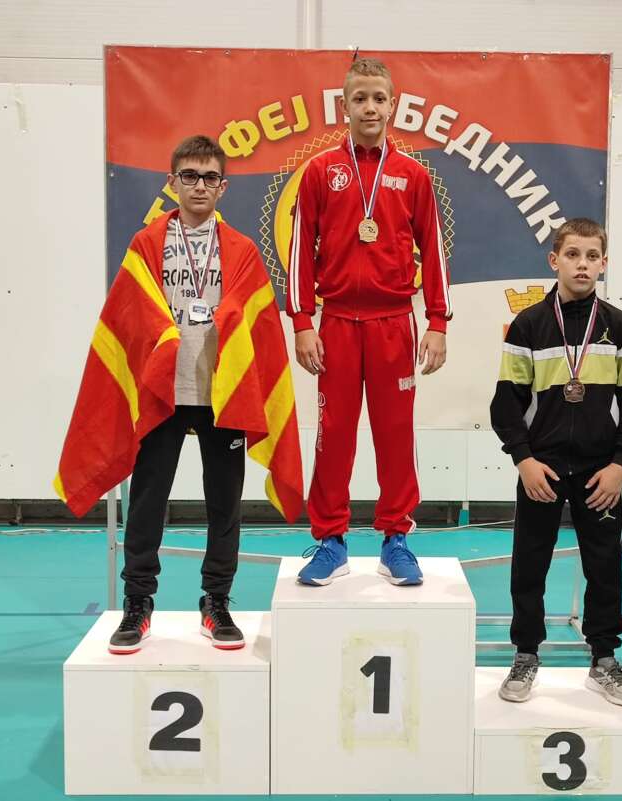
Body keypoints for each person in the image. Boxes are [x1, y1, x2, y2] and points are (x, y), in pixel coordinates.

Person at [57, 134, 302, 655]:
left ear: (223, 186)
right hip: (161, 392)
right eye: (189, 176)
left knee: (224, 503)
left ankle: (216, 601)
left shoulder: (242, 250)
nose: (199, 186)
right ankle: (138, 603)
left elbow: (258, 326)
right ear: (172, 183)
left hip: (222, 393)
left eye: (210, 177)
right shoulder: (146, 244)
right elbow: (127, 315)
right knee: (149, 500)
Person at [286, 56, 452, 586]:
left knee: (395, 434)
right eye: (360, 98)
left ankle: (396, 538)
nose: (370, 107)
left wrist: (438, 321)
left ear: (392, 105)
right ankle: (330, 540)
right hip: (335, 322)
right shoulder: (320, 172)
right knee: (333, 434)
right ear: (345, 105)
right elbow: (299, 250)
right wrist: (302, 321)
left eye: (379, 98)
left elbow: (434, 250)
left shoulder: (413, 175)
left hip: (393, 323)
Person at [490, 218, 622, 706]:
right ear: (554, 260)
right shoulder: (529, 325)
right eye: (573, 254)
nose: (583, 264)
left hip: (601, 473)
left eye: (592, 256)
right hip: (543, 469)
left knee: (605, 566)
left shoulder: (620, 327)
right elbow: (506, 403)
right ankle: (525, 653)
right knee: (529, 563)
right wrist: (524, 460)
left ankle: (604, 658)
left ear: (604, 263)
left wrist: (620, 464)